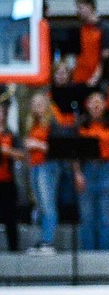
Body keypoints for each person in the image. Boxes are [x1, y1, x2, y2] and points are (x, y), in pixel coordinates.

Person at [75, 90, 109, 251]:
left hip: (106, 169)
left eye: (99, 101)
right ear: (87, 105)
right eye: (92, 101)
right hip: (86, 169)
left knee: (105, 217)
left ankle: (104, 257)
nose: (96, 105)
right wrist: (77, 173)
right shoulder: (80, 125)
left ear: (104, 105)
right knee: (87, 217)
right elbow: (73, 152)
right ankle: (89, 257)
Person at [24, 92, 59, 254]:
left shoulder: (52, 124)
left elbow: (57, 148)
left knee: (47, 204)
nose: (36, 107)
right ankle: (43, 240)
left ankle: (48, 241)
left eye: (40, 103)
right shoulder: (33, 124)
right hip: (35, 166)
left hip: (48, 166)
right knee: (39, 205)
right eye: (34, 104)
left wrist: (36, 144)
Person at [70, 0, 109, 86]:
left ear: (90, 7)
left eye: (80, 8)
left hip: (97, 80)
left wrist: (95, 77)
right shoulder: (80, 29)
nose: (78, 11)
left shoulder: (105, 28)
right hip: (79, 78)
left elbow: (105, 56)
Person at [0, 96, 19, 251]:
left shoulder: (10, 133)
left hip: (7, 182)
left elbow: (22, 154)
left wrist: (7, 151)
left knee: (10, 219)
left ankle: (14, 250)